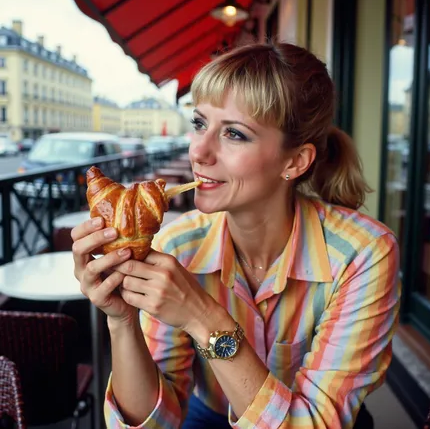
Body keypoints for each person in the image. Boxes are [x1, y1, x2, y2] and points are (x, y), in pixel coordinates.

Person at [72, 42, 400, 429]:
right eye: (199, 123)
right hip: (211, 416)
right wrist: (122, 320)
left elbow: (316, 423)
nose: (199, 151)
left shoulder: (363, 253)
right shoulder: (178, 245)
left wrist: (201, 315)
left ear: (295, 161)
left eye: (234, 134)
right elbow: (155, 423)